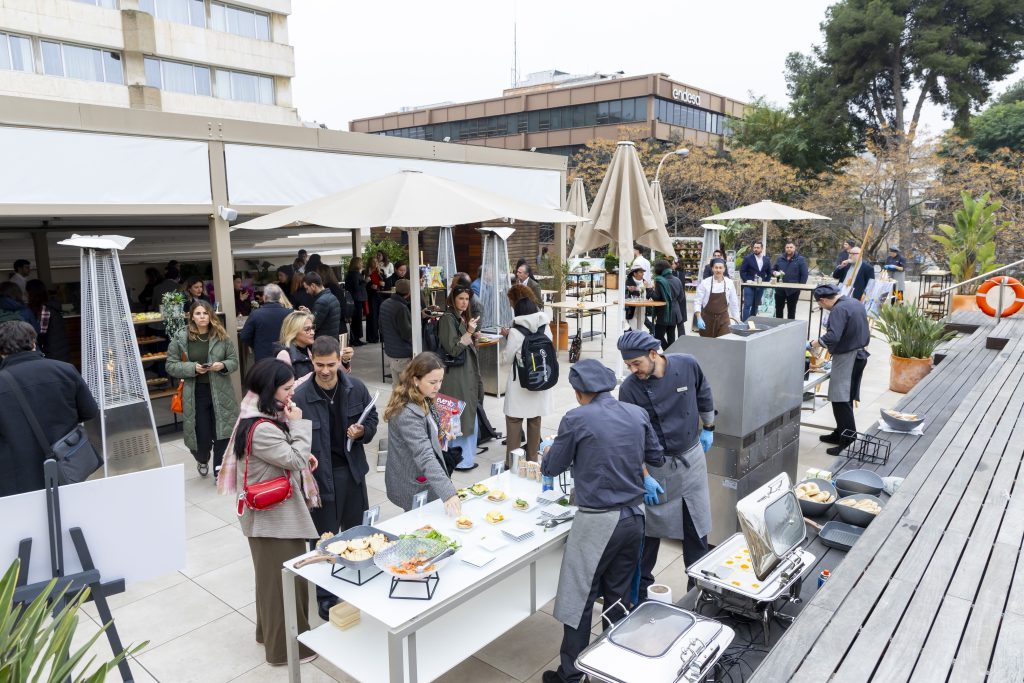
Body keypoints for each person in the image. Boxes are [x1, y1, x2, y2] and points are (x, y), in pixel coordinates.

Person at [539, 359, 664, 683]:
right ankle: (611, 669)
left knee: (580, 597)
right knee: (619, 597)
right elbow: (656, 456)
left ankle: (570, 675)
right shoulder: (636, 414)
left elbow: (552, 468)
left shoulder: (576, 418)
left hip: (598, 523)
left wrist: (553, 451)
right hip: (635, 519)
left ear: (580, 392)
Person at [217, 359, 319, 666]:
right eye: (287, 388)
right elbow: (294, 459)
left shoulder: (259, 417)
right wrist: (299, 425)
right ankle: (287, 651)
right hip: (274, 518)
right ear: (267, 390)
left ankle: (269, 636)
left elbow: (287, 458)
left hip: (268, 516)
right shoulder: (261, 427)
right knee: (285, 585)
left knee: (272, 582)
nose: (291, 394)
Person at [617, 330, 716, 599]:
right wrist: (644, 474)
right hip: (657, 470)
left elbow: (703, 392)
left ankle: (699, 597)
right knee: (648, 538)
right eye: (628, 365)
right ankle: (638, 600)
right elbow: (630, 439)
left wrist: (708, 426)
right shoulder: (629, 390)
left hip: (692, 461)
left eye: (636, 363)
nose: (632, 369)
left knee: (696, 532)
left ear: (654, 354)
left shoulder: (686, 364)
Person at [293, 336, 378, 619]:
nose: (326, 370)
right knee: (323, 540)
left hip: (352, 473)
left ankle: (359, 584)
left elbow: (373, 418)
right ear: (311, 359)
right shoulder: (301, 396)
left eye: (331, 364)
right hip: (320, 479)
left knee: (357, 534)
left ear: (340, 360)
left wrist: (363, 430)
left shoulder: (357, 388)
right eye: (319, 365)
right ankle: (326, 595)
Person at [0, 321, 98, 497]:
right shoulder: (64, 370)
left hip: (15, 479)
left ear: (1, 352)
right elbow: (90, 411)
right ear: (33, 343)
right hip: (66, 468)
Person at [166, 300, 240, 479]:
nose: (202, 317)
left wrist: (221, 365)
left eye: (205, 313)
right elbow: (170, 365)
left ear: (210, 315)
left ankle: (219, 470)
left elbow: (234, 361)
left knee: (222, 431)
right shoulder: (181, 337)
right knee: (202, 435)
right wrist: (192, 368)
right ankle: (202, 458)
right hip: (195, 392)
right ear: (191, 316)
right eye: (198, 313)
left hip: (220, 391)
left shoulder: (221, 335)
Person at [383, 352, 462, 514]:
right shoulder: (406, 412)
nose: (438, 387)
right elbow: (424, 454)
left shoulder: (423, 395)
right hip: (413, 482)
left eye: (440, 381)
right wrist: (449, 494)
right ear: (415, 380)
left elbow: (427, 430)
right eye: (433, 382)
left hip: (420, 477)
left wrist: (441, 435)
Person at [810, 284, 870, 455]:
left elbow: (833, 336)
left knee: (840, 399)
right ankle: (839, 433)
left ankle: (848, 441)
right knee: (846, 397)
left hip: (848, 357)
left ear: (822, 300)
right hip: (859, 355)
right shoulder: (854, 302)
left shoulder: (838, 310)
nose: (823, 309)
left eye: (821, 306)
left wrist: (813, 343)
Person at [499, 285, 553, 465]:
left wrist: (507, 339)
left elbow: (506, 359)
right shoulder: (545, 326)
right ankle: (532, 462)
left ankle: (513, 464)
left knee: (514, 421)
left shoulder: (515, 331)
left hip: (519, 383)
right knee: (534, 420)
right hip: (539, 381)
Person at [439, 285, 484, 471]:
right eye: (461, 299)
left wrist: (472, 335)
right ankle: (459, 460)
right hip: (455, 376)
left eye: (467, 299)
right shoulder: (447, 319)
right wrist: (469, 333)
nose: (464, 302)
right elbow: (453, 348)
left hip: (464, 374)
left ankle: (464, 457)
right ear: (453, 299)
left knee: (463, 415)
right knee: (457, 416)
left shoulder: (459, 317)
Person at [240, 284, 291, 362]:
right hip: (285, 356)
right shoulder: (289, 314)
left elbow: (244, 336)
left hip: (263, 357)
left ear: (265, 297)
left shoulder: (256, 314)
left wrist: (257, 345)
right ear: (280, 297)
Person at [25, 279, 70, 362]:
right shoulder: (51, 307)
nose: (24, 295)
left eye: (26, 292)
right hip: (59, 351)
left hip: (53, 353)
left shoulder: (44, 310)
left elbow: (40, 333)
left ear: (32, 293)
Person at [694, 259, 740, 338]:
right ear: (712, 269)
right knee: (707, 344)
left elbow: (734, 303)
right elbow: (697, 301)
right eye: (716, 267)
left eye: (720, 268)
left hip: (724, 319)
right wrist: (699, 318)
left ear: (724, 269)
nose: (718, 270)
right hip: (707, 319)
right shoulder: (705, 283)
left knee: (723, 342)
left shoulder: (729, 283)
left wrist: (737, 320)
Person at [380, 279, 413, 385]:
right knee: (407, 388)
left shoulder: (385, 303)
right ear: (409, 293)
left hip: (390, 351)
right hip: (402, 354)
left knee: (397, 388)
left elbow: (381, 327)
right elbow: (407, 334)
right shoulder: (401, 308)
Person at [650, 259, 683, 350]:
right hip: (676, 313)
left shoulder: (660, 281)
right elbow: (681, 297)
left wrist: (649, 289)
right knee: (671, 336)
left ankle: (668, 352)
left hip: (664, 313)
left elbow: (656, 297)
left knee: (658, 336)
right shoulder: (677, 280)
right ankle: (671, 355)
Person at [275, 311, 316, 381]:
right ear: (294, 331)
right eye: (307, 329)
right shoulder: (284, 355)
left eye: (312, 328)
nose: (312, 332)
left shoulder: (312, 350)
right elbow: (285, 387)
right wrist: (315, 375)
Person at [773, 240, 809, 319]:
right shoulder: (780, 258)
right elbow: (773, 270)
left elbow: (804, 274)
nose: (789, 249)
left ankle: (790, 328)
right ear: (785, 248)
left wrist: (800, 288)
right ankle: (778, 328)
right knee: (778, 310)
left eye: (791, 247)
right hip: (780, 289)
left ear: (794, 248)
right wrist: (774, 273)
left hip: (793, 290)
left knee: (791, 311)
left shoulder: (800, 259)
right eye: (787, 247)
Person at [303, 272, 341, 341]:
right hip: (332, 341)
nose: (307, 292)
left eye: (307, 288)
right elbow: (326, 320)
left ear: (313, 286)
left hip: (323, 343)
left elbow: (314, 326)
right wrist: (310, 313)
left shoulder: (321, 302)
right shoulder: (332, 297)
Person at [739, 240, 772, 321]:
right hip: (749, 285)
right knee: (747, 305)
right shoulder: (747, 258)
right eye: (754, 247)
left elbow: (769, 272)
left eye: (758, 248)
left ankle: (752, 322)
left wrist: (765, 283)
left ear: (762, 249)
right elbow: (742, 271)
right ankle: (744, 323)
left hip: (760, 286)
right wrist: (747, 280)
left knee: (756, 305)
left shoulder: (766, 259)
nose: (755, 249)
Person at [345, 257, 368, 346]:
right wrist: (365, 282)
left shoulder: (352, 274)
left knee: (357, 320)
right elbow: (357, 288)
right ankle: (355, 339)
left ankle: (356, 339)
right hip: (356, 299)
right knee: (356, 320)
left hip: (355, 299)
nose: (362, 264)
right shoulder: (354, 274)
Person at [365, 256, 384, 343]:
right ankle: (373, 337)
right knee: (372, 317)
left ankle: (383, 337)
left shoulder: (380, 272)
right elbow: (363, 286)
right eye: (373, 262)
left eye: (376, 262)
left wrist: (382, 284)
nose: (375, 264)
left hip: (379, 295)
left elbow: (385, 283)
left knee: (381, 316)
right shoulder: (365, 272)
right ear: (369, 263)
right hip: (371, 296)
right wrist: (369, 285)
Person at [624, 265, 648, 332]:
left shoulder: (644, 282)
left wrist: (649, 288)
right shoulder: (628, 282)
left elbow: (648, 294)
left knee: (640, 326)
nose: (643, 274)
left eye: (643, 272)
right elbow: (625, 296)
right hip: (632, 309)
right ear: (634, 273)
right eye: (641, 272)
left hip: (642, 307)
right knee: (634, 327)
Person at [671, 259, 689, 339]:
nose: (672, 265)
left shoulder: (675, 273)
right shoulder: (682, 273)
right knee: (680, 320)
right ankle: (682, 338)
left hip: (677, 298)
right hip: (682, 297)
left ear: (677, 264)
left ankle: (678, 338)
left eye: (673, 264)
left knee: (676, 320)